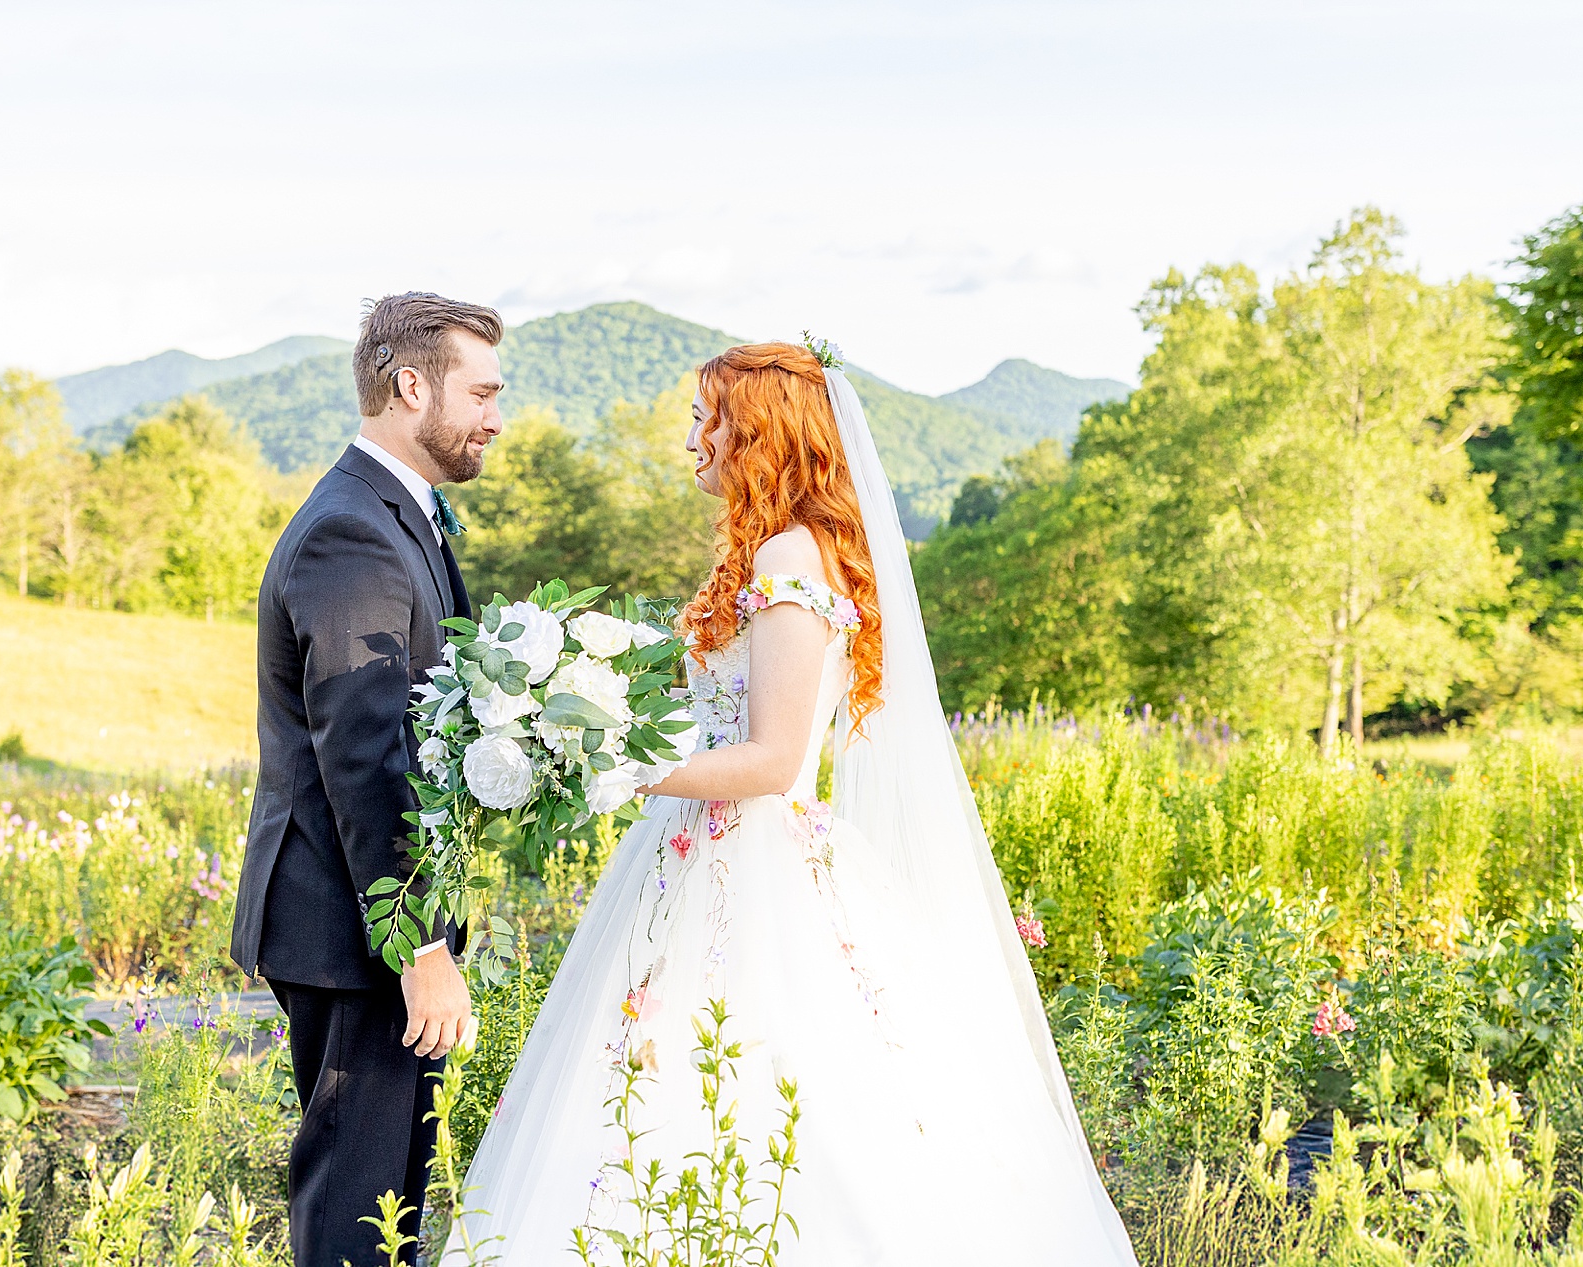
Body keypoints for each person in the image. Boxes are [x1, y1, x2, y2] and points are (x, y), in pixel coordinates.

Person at [450, 343, 1139, 1263]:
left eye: (709, 419)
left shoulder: (789, 555)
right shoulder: (771, 550)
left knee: (747, 1088)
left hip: (750, 859)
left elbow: (774, 759)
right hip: (694, 855)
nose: (693, 439)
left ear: (761, 436)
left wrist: (620, 764)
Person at [229, 292, 505, 1267]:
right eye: (480, 392)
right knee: (358, 1202)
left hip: (364, 927)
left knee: (387, 1199)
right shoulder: (352, 530)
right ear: (411, 385)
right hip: (353, 932)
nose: (495, 417)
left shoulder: (400, 515)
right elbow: (364, 758)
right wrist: (419, 944)